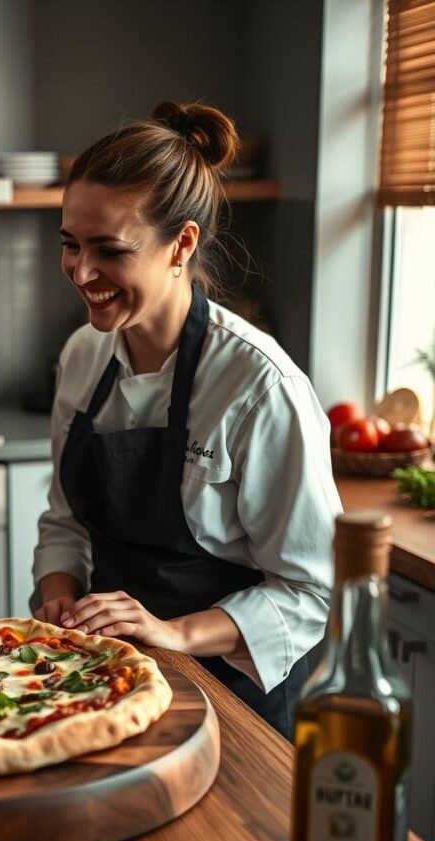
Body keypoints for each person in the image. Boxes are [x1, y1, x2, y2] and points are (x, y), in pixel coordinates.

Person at [32, 101, 342, 738]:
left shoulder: (259, 386)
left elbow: (313, 590)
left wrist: (171, 633)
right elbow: (66, 521)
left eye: (109, 250)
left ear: (182, 245)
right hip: (107, 680)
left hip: (237, 696)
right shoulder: (83, 354)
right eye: (70, 244)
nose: (82, 272)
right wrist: (57, 598)